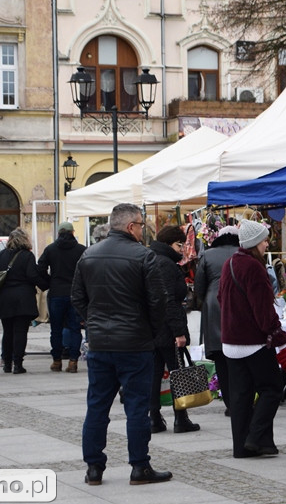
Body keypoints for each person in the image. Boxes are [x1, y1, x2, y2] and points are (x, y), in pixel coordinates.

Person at [71, 203, 172, 486]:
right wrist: (149, 331)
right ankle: (139, 466)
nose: (143, 229)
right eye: (141, 224)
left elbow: (77, 298)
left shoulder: (88, 255)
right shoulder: (144, 256)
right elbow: (158, 301)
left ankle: (94, 467)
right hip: (135, 344)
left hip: (101, 343)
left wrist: (94, 324)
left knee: (97, 406)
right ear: (131, 226)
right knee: (137, 408)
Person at [219, 219, 286, 459]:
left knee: (240, 396)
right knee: (271, 389)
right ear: (255, 243)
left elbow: (220, 297)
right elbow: (263, 309)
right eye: (265, 240)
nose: (267, 244)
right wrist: (276, 332)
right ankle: (256, 438)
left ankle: (244, 447)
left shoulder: (230, 263)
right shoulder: (254, 267)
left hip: (230, 341)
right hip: (253, 341)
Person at [148, 224, 199, 434]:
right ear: (169, 244)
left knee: (154, 373)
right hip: (168, 328)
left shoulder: (150, 259)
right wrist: (178, 332)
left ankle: (154, 419)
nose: (182, 249)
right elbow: (169, 300)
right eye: (179, 245)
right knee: (177, 371)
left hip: (153, 328)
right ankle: (180, 417)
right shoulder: (166, 264)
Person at [192, 223, 239, 415]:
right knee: (241, 358)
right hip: (239, 307)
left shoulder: (207, 255)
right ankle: (242, 401)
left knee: (220, 358)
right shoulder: (245, 253)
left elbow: (199, 288)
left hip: (214, 308)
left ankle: (230, 403)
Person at [0, 228, 48, 374]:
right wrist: (45, 285)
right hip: (23, 297)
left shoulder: (2, 254)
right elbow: (32, 275)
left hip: (5, 296)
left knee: (7, 332)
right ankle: (18, 364)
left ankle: (7, 363)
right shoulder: (27, 255)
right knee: (20, 331)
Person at [38, 222, 86, 373]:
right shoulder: (81, 250)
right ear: (73, 233)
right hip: (75, 294)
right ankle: (73, 361)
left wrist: (48, 282)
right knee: (75, 328)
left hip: (56, 293)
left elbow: (40, 268)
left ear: (58, 233)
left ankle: (57, 361)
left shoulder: (51, 249)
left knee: (56, 329)